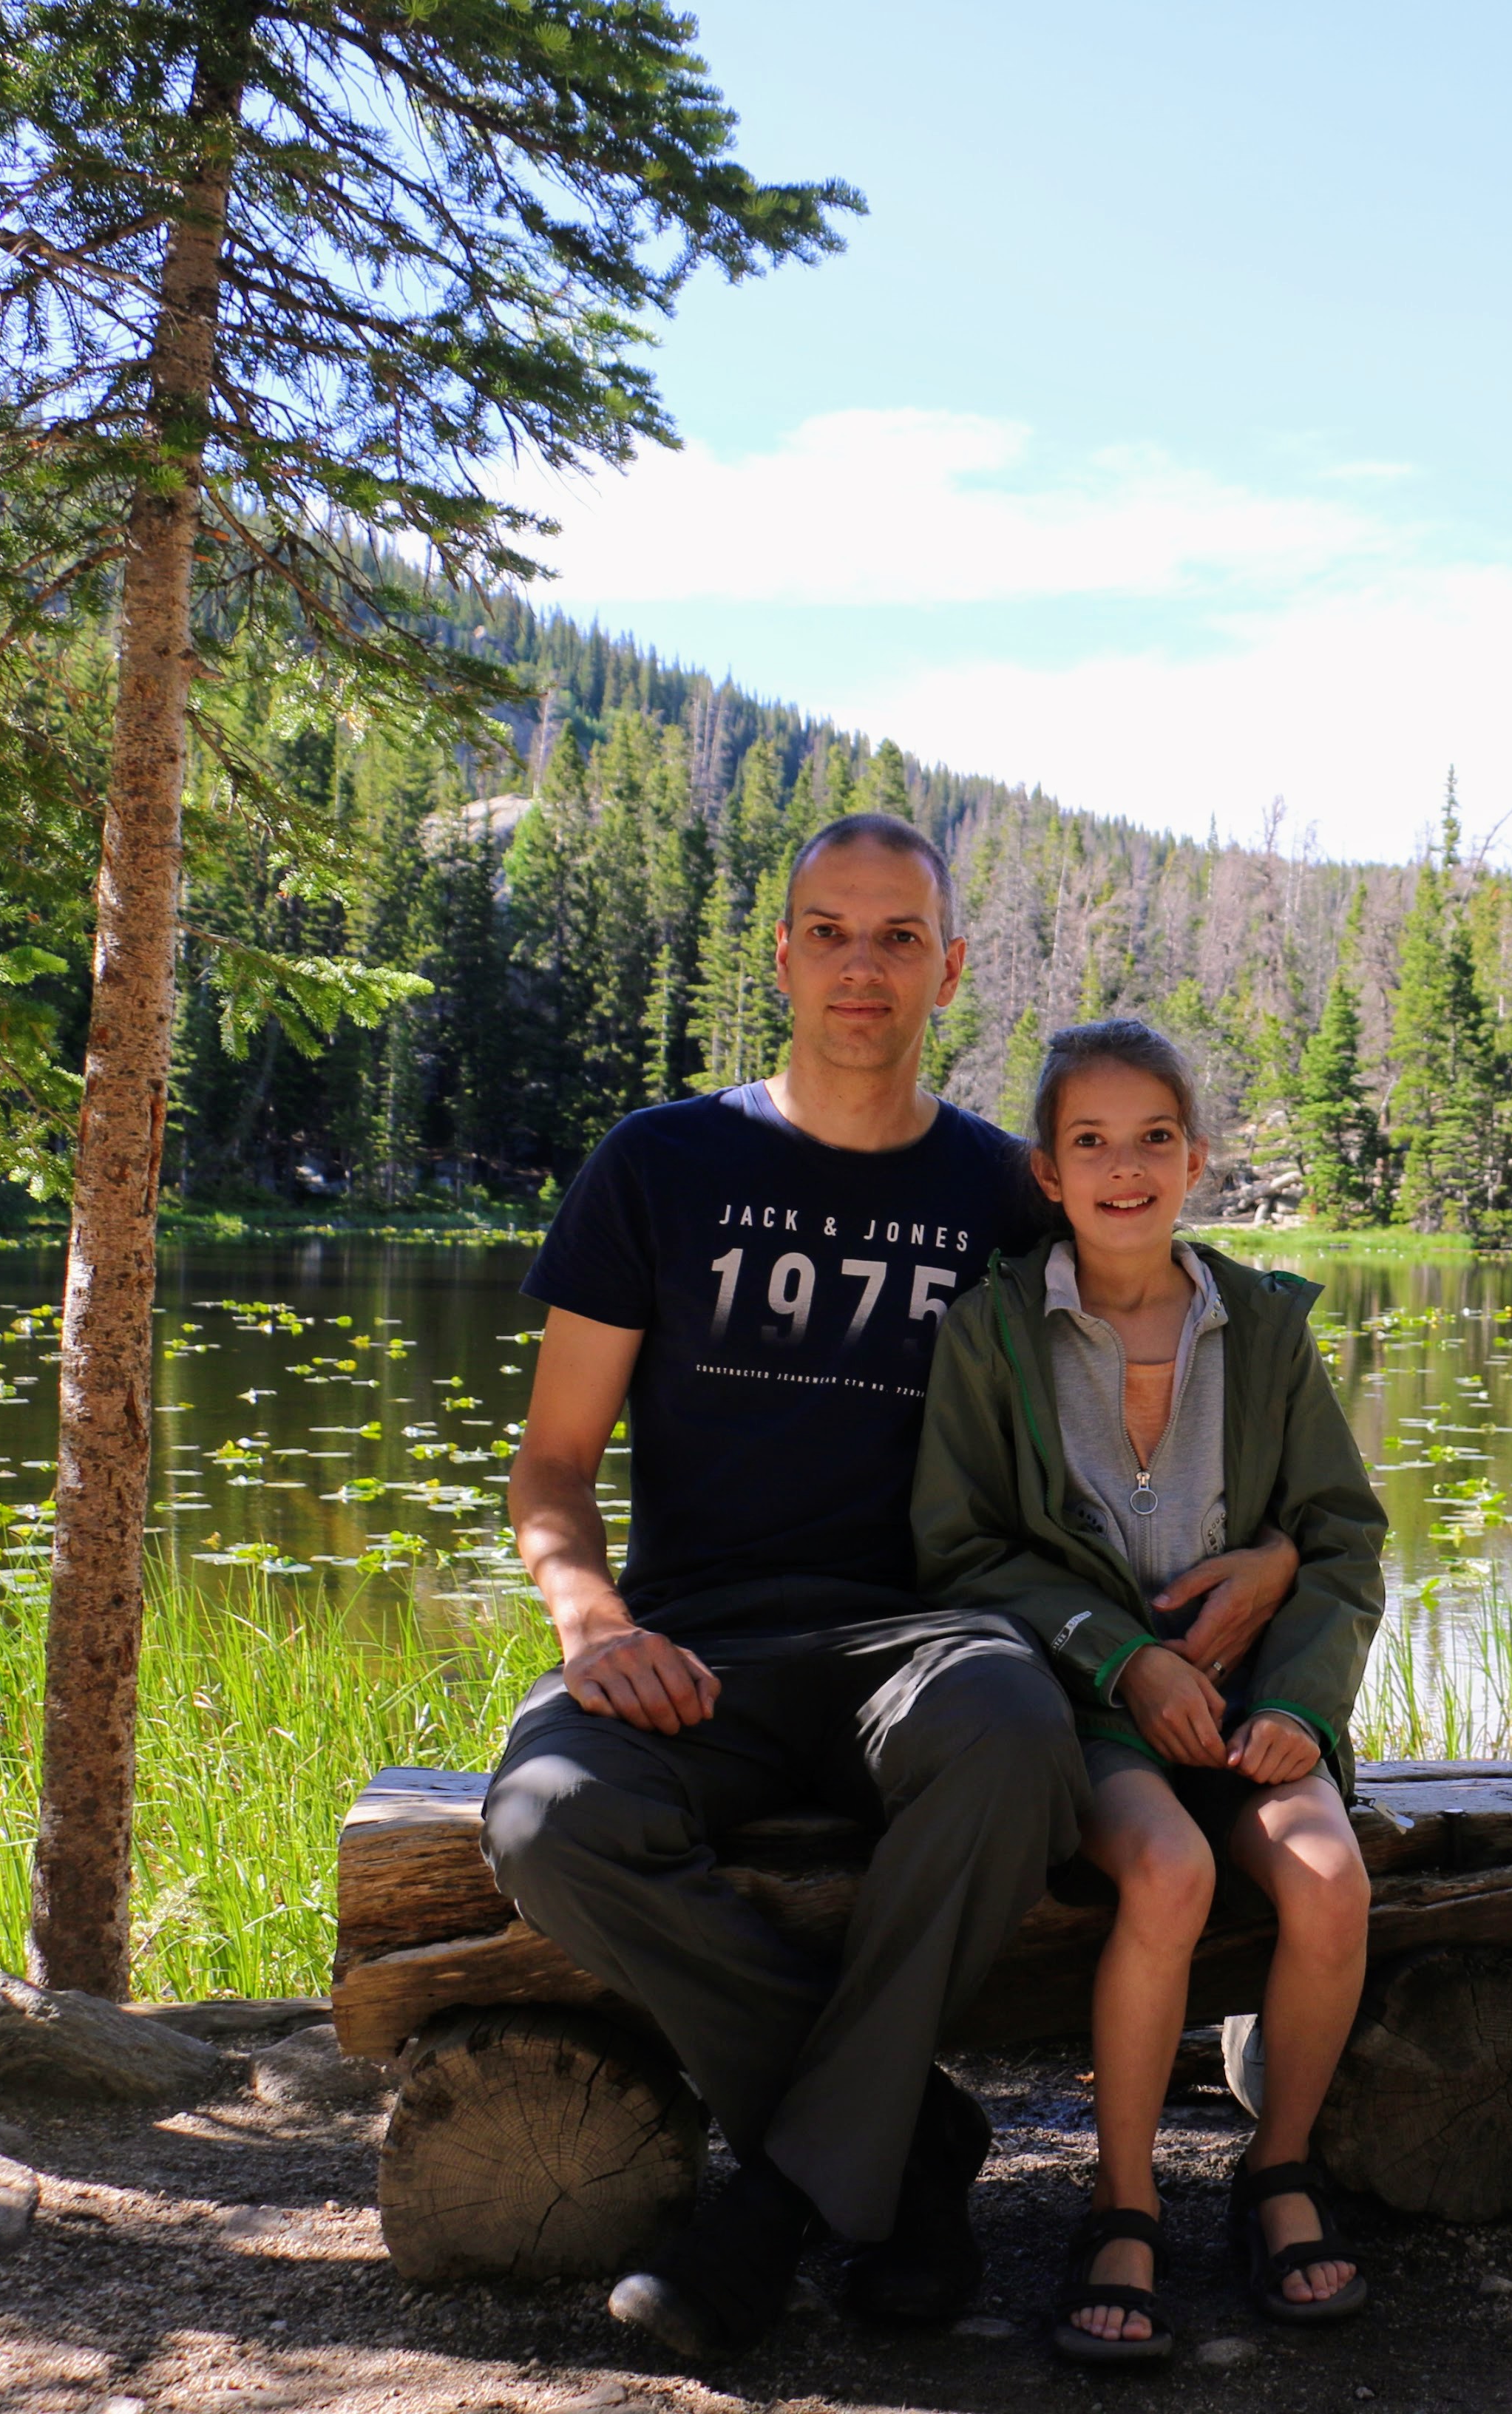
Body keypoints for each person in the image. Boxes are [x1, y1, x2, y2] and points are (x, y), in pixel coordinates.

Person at [476, 819, 1305, 2362]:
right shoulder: (660, 1165)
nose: (863, 967)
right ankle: (901, 2146)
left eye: (900, 936)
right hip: (694, 1643)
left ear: (950, 966)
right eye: (831, 931)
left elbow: (1177, 1361)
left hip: (929, 1644)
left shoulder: (1004, 1190)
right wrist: (593, 1619)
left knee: (1009, 1732)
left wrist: (1275, 1548)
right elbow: (551, 1468)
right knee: (542, 1821)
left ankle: (775, 2205)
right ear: (782, 951)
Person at [911, 1018, 1386, 2366]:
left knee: (1328, 1872)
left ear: (1196, 1156)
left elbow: (1341, 1539)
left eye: (1154, 1139)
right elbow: (958, 1551)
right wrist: (1124, 1656)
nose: (1126, 1169)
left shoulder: (1267, 1324)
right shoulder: (991, 1332)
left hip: (1255, 1705)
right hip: (1089, 1714)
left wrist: (1299, 1704)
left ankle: (1276, 2170)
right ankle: (1120, 2201)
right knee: (1167, 1870)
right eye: (1091, 1142)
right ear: (1048, 1172)